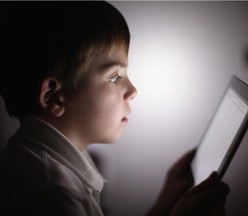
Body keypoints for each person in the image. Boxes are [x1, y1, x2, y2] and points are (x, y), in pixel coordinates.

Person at [0, 2, 229, 216]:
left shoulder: (58, 155)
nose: (133, 90)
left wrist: (166, 201)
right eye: (114, 77)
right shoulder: (53, 196)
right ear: (54, 97)